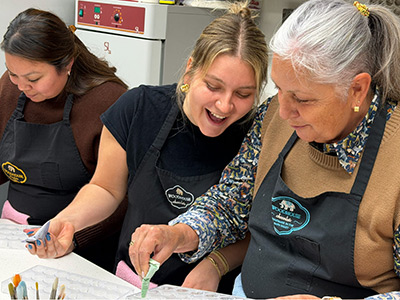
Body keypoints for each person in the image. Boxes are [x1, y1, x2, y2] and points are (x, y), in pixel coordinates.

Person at [126, 0, 400, 299]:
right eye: (279, 90)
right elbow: (231, 203)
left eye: (302, 99)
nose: (283, 111)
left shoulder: (394, 156)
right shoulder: (274, 119)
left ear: (357, 89)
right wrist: (178, 233)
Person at [25, 0, 269, 293]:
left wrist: (215, 264)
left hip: (204, 287)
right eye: (214, 86)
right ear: (190, 70)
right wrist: (66, 221)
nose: (225, 105)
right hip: (130, 279)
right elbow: (105, 188)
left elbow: (253, 226)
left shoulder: (256, 137)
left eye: (243, 94)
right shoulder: (138, 108)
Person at [0, 8, 128, 272]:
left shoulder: (109, 102)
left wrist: (73, 239)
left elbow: (118, 193)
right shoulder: (12, 86)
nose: (22, 86)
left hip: (82, 250)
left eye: (34, 78)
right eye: (12, 73)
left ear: (67, 63)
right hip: (15, 234)